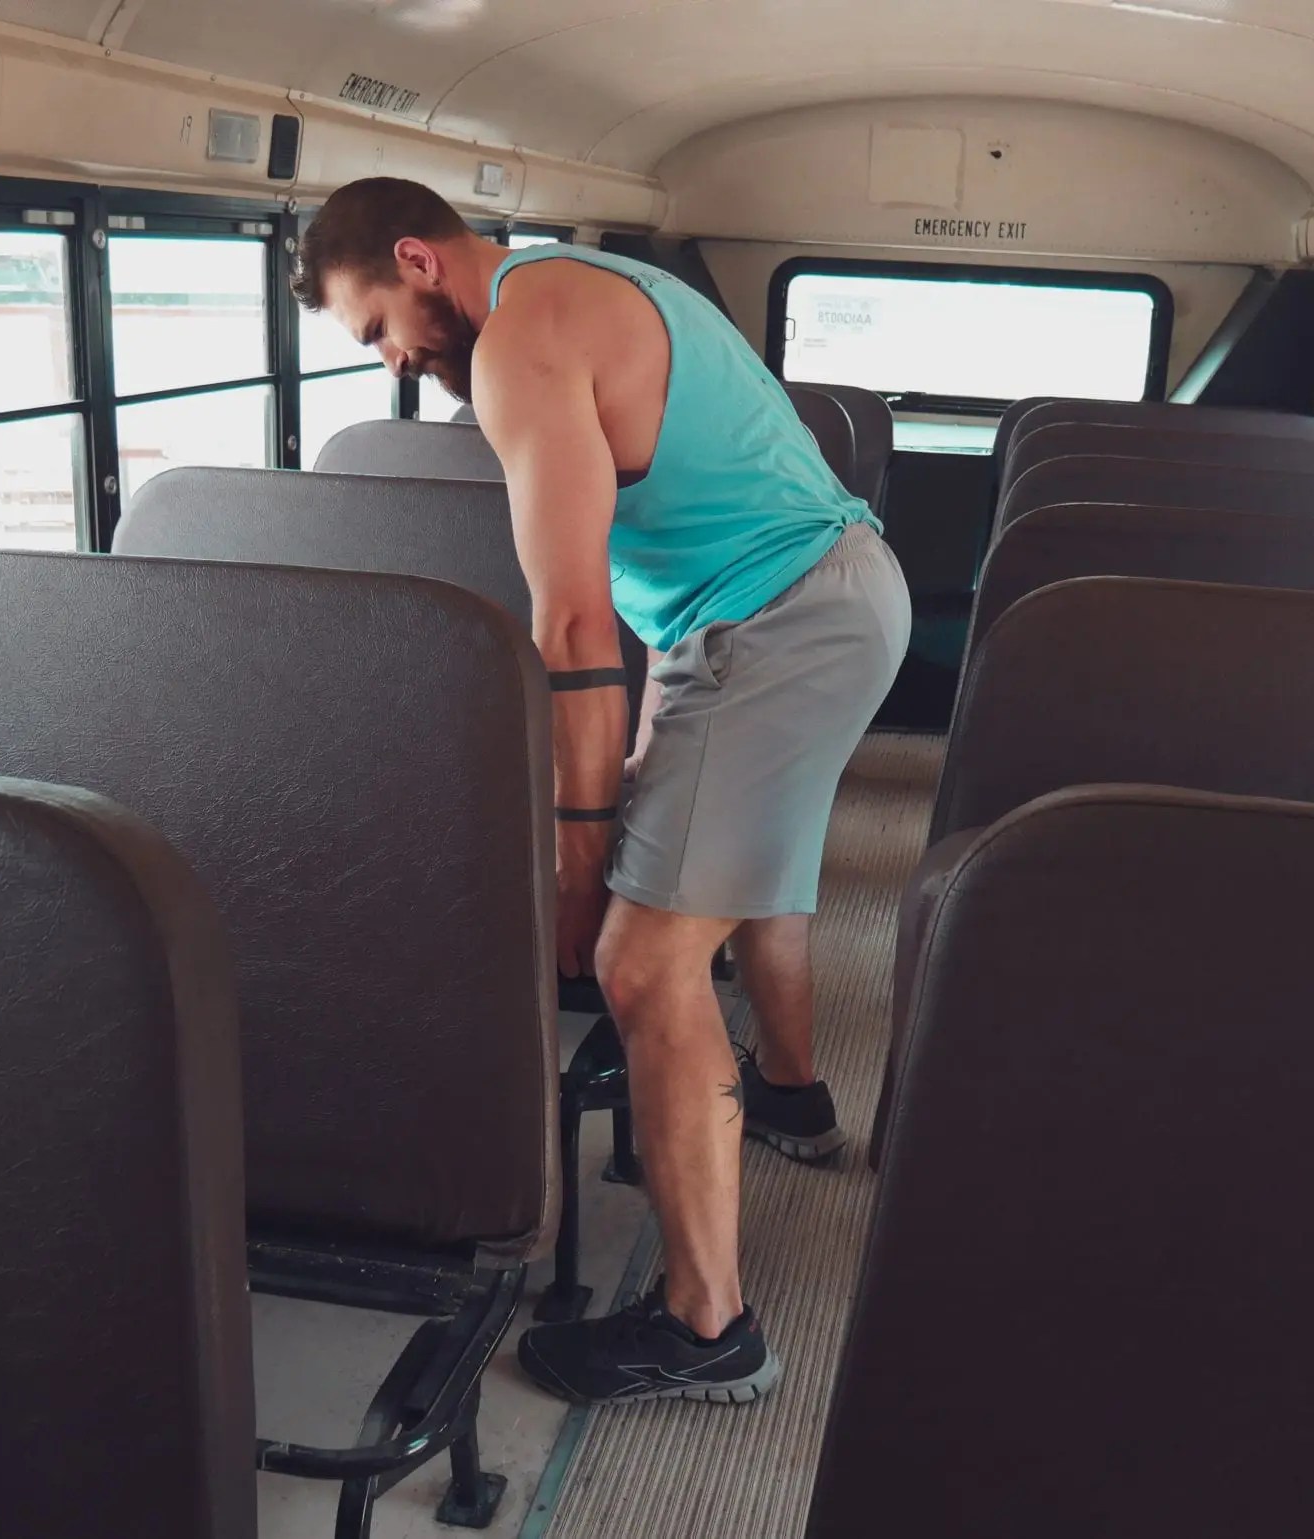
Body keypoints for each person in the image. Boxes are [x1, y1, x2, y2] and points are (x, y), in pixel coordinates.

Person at [292, 179, 909, 1405]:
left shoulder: (523, 338)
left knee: (639, 960)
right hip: (799, 601)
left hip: (774, 623)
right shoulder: (577, 281)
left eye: (376, 329)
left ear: (418, 261)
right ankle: (790, 1094)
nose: (395, 366)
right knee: (711, 871)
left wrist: (580, 867)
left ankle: (704, 1326)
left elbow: (571, 617)